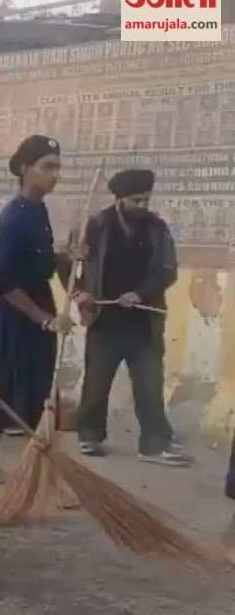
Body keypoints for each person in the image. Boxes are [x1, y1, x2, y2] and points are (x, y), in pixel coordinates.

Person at [71, 169, 189, 466]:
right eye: (136, 200)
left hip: (143, 323)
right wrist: (79, 294)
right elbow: (69, 268)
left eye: (146, 200)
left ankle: (153, 444)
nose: (143, 206)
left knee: (149, 384)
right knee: (96, 384)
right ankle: (90, 436)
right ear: (120, 198)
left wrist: (139, 293)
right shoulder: (96, 225)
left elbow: (167, 270)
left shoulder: (156, 228)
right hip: (103, 320)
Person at [0, 136, 75, 450]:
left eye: (57, 167)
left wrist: (67, 256)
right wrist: (44, 319)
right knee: (10, 391)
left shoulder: (38, 210)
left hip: (39, 304)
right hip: (18, 313)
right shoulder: (15, 218)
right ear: (25, 169)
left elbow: (41, 260)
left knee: (38, 390)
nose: (55, 175)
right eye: (47, 167)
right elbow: (3, 280)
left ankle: (36, 468)